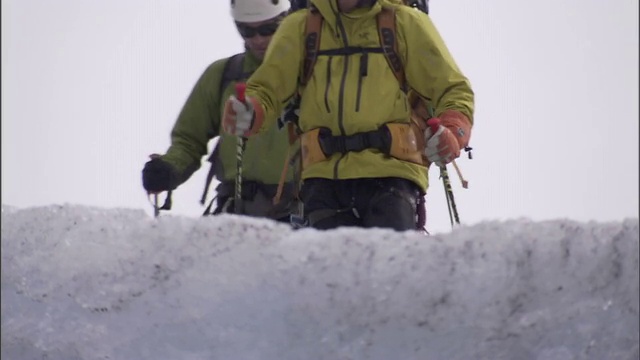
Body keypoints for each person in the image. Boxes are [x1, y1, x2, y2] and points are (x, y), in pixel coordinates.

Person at [222, 0, 474, 231]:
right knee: (337, 275)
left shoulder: (405, 23)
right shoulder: (300, 28)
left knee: (384, 269)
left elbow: (451, 90)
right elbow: (267, 89)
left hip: (392, 175)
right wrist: (251, 110)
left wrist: (453, 130)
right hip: (323, 181)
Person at [142, 0, 299, 222]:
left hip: (301, 212)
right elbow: (189, 140)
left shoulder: (314, 73)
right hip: (237, 209)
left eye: (268, 28)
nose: (258, 39)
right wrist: (169, 168)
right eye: (246, 30)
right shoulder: (223, 75)